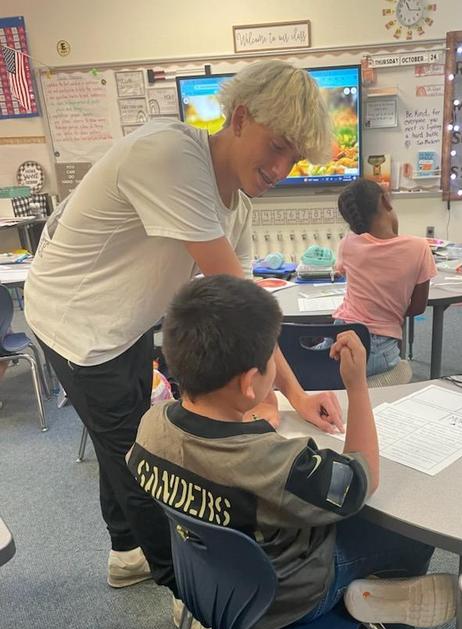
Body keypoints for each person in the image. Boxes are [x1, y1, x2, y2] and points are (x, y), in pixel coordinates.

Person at [23, 61, 344, 599]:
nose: (282, 168)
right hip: (73, 320)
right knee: (140, 461)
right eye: (277, 146)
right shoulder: (173, 156)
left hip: (123, 323)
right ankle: (191, 598)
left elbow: (243, 313)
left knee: (118, 440)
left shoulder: (236, 205)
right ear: (240, 117)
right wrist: (293, 391)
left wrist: (295, 395)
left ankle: (126, 553)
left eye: (296, 157)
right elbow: (244, 307)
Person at [127, 274, 453, 629]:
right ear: (248, 383)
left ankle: (369, 612)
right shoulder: (277, 464)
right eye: (270, 363)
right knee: (409, 530)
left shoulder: (150, 427)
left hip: (209, 589)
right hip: (288, 601)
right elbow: (362, 477)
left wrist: (253, 412)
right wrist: (357, 388)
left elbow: (214, 464)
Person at [331, 178, 436, 376]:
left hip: (337, 337)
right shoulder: (419, 247)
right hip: (377, 349)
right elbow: (418, 306)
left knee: (336, 377)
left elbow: (342, 270)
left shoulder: (348, 243)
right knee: (401, 373)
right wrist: (389, 312)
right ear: (385, 202)